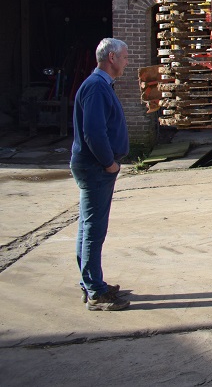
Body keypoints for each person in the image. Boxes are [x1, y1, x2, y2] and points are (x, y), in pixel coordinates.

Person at [70, 37, 130, 311]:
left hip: (94, 167)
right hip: (96, 168)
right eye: (125, 57)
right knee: (94, 229)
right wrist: (108, 162)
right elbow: (93, 132)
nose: (127, 62)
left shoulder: (100, 85)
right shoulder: (96, 88)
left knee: (87, 226)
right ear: (111, 58)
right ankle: (95, 291)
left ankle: (91, 283)